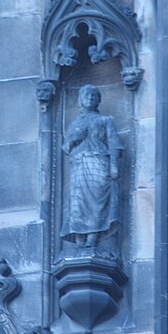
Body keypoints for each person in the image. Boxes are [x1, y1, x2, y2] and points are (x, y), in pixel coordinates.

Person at [61, 85, 123, 248]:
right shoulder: (75, 124)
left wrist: (114, 166)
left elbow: (114, 144)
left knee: (97, 201)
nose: (90, 98)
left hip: (98, 162)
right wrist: (74, 138)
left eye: (94, 96)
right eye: (87, 95)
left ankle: (92, 239)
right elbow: (66, 148)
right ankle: (80, 241)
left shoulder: (105, 120)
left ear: (98, 100)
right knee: (78, 202)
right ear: (81, 99)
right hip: (79, 164)